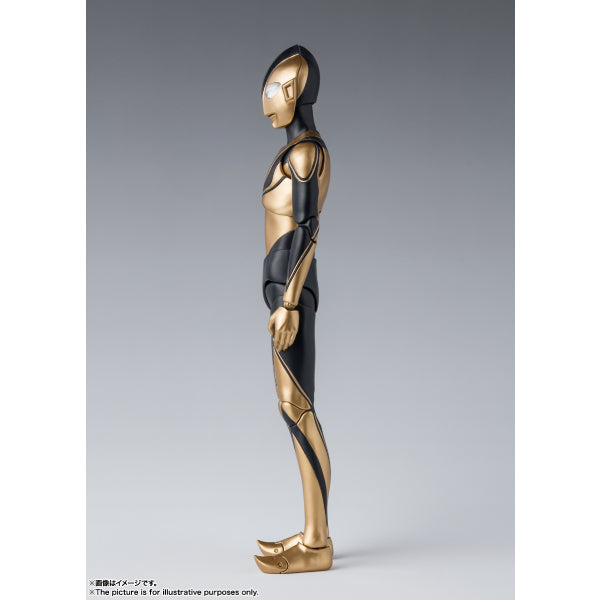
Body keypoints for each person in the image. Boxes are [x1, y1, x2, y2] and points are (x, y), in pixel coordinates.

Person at [254, 45, 333, 574]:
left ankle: (317, 543)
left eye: (275, 90)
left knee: (297, 407)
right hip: (282, 287)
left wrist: (288, 302)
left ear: (295, 91)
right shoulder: (294, 151)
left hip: (292, 294)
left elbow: (308, 228)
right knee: (293, 407)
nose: (267, 102)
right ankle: (311, 533)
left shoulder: (306, 154)